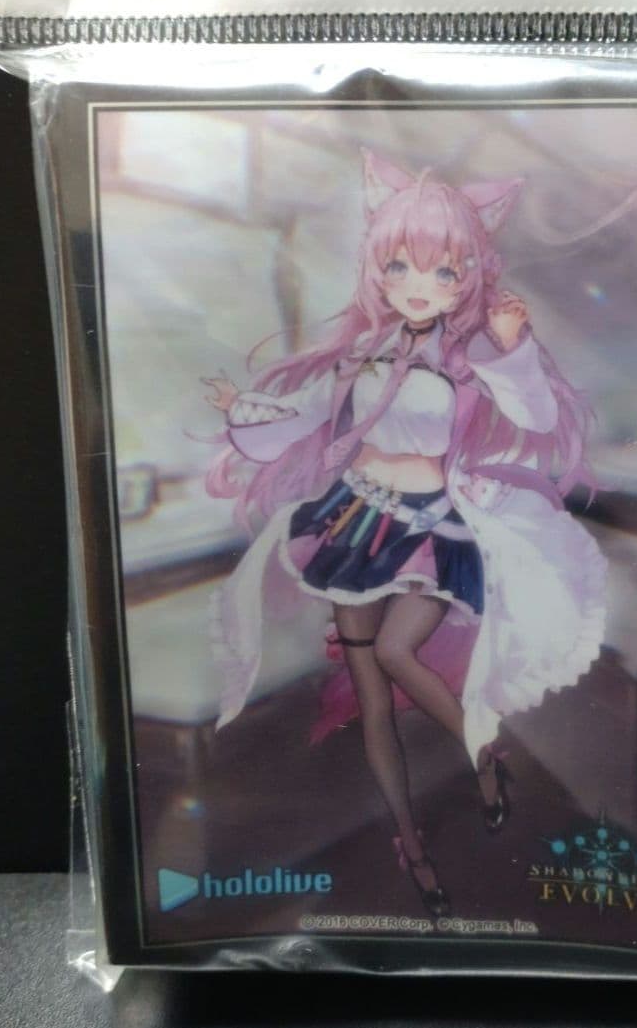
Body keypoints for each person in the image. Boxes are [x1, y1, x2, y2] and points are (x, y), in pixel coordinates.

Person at [203, 149, 607, 917]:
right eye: (400, 267)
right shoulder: (362, 354)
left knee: (396, 653)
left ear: (469, 275)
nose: (419, 286)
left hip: (428, 525)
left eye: (443, 271)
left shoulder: (471, 357)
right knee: (372, 696)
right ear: (377, 269)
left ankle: (484, 753)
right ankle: (411, 844)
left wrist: (513, 347)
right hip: (353, 520)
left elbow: (535, 415)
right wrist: (241, 408)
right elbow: (305, 418)